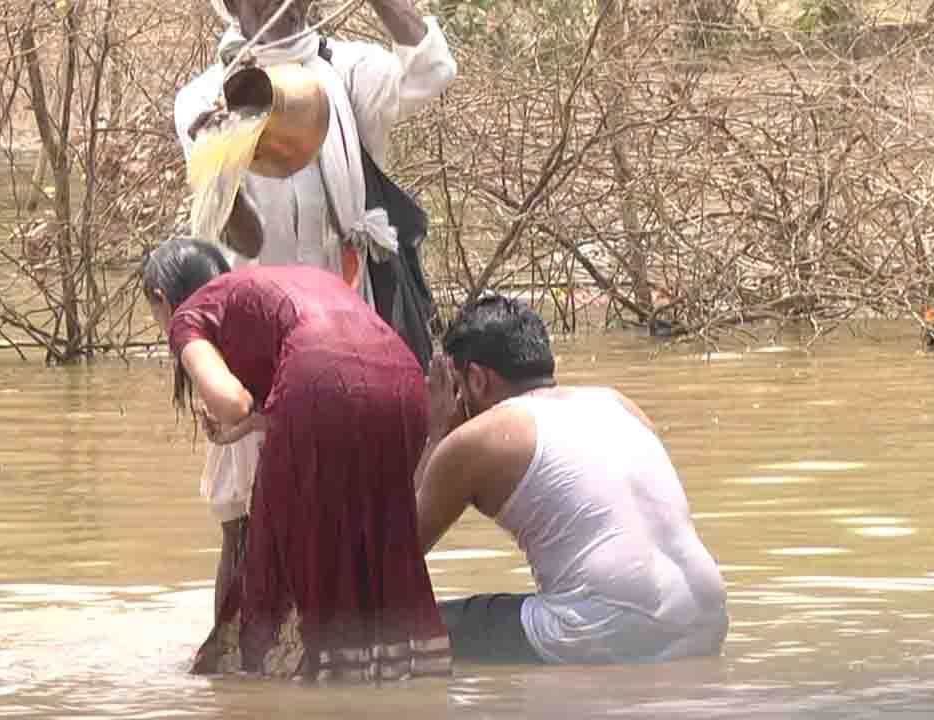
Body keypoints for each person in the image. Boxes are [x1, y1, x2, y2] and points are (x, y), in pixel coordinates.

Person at [173, 0, 457, 623]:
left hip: (354, 330)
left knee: (361, 509)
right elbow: (238, 239)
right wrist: (222, 160)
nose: (259, 7)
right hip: (258, 338)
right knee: (244, 516)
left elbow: (433, 67)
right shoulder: (201, 97)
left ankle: (345, 657)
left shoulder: (345, 69)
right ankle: (236, 670)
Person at [143, 237, 450, 681]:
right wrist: (256, 423)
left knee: (281, 572)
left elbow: (230, 400)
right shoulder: (280, 283)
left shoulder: (190, 313)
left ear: (160, 299)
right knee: (371, 540)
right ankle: (385, 685)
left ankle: (265, 691)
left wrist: (236, 411)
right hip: (403, 380)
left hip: (320, 388)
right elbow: (340, 374)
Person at [414, 294, 729, 665]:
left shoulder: (483, 436)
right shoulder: (618, 404)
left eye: (455, 387)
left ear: (478, 380)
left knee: (409, 631)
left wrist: (436, 433)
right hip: (706, 618)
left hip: (610, 629)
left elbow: (399, 553)